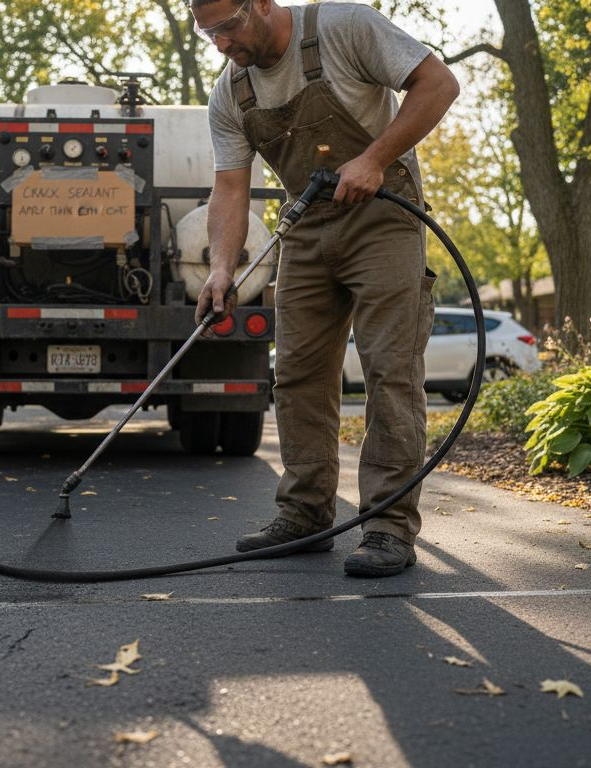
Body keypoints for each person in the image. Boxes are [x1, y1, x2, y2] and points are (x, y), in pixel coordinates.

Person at [190, 0, 459, 577]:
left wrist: (375, 158)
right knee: (297, 374)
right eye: (208, 33)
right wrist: (220, 269)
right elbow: (231, 188)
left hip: (383, 217)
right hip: (306, 225)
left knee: (390, 371)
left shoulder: (344, 27)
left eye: (228, 27)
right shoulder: (230, 92)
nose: (222, 44)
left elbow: (439, 84)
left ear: (262, 3)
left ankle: (388, 526)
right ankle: (305, 514)